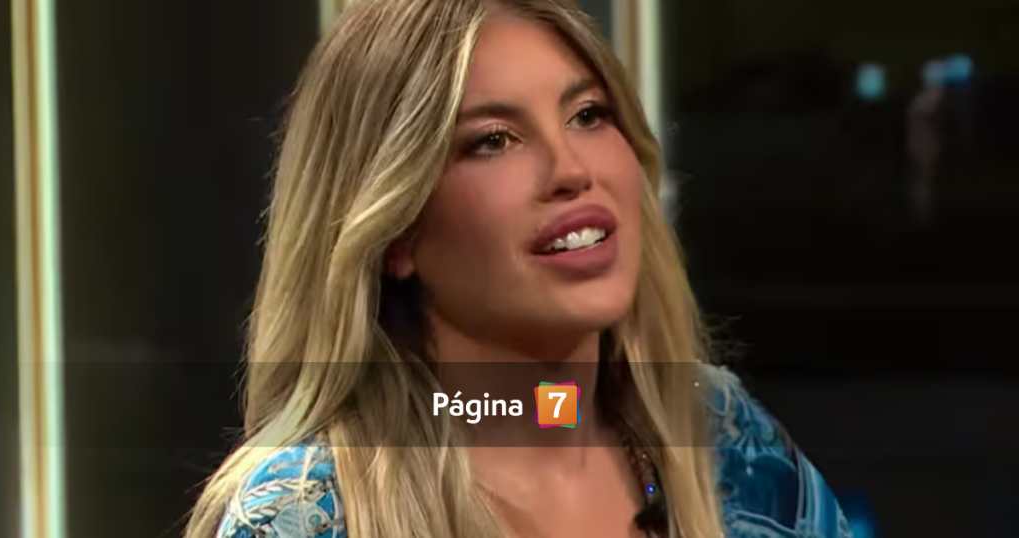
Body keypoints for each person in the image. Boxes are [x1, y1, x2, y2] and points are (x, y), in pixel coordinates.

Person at [184, 1, 853, 537]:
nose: (571, 170)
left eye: (587, 115)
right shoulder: (305, 516)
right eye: (494, 141)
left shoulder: (728, 443)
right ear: (395, 232)